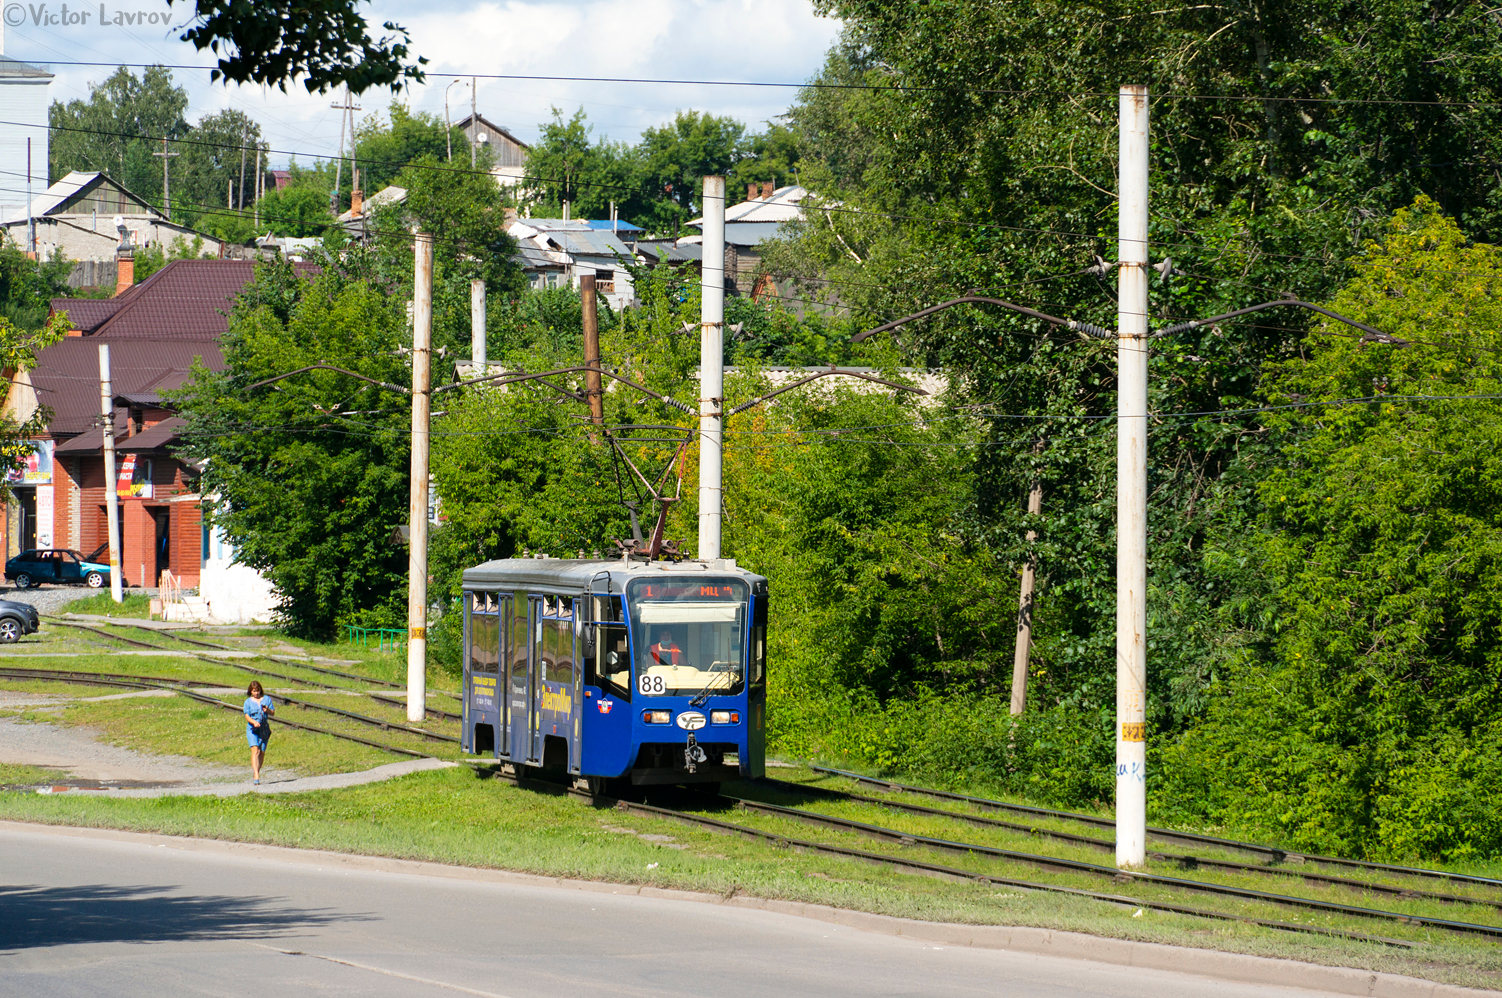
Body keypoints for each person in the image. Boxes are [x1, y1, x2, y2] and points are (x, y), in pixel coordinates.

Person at [243, 680, 275, 784]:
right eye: (254, 691)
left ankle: (257, 770)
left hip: (264, 729)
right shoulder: (248, 702)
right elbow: (247, 715)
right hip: (252, 729)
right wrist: (253, 722)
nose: (256, 693)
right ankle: (256, 774)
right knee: (255, 750)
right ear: (250, 692)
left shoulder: (266, 699)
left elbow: (273, 712)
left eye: (257, 691)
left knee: (261, 752)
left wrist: (268, 710)